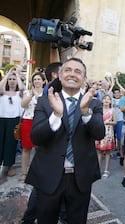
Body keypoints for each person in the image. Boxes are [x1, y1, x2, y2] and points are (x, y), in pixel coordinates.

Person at [25, 57, 105, 223]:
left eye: (78, 72)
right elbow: (36, 137)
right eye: (67, 70)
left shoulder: (94, 104)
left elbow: (99, 134)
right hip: (49, 175)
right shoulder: (44, 102)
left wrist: (84, 111)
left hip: (80, 178)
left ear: (84, 79)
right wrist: (56, 115)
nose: (72, 74)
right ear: (59, 76)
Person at [19, 71, 46, 183]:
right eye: (34, 79)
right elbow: (23, 105)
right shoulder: (27, 92)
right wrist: (32, 95)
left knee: (41, 149)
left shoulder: (46, 94)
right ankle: (24, 173)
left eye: (39, 79)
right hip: (28, 121)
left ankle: (39, 173)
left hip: (41, 122)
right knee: (26, 148)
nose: (36, 81)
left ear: (43, 81)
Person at [0, 67, 24, 184]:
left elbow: (22, 87)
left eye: (13, 79)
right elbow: (1, 86)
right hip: (1, 119)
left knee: (11, 143)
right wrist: (8, 74)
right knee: (0, 142)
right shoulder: (2, 92)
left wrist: (17, 75)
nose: (12, 81)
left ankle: (9, 165)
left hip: (14, 120)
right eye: (10, 79)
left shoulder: (19, 94)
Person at [96, 94, 116, 178]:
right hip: (100, 132)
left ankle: (106, 170)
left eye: (108, 99)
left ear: (111, 101)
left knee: (108, 152)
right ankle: (97, 170)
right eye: (105, 99)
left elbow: (115, 122)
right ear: (102, 101)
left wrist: (107, 122)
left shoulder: (112, 110)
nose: (106, 100)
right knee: (99, 152)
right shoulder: (99, 110)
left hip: (108, 133)